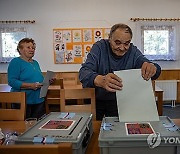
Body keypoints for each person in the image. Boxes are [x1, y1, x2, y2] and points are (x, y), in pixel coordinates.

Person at [79, 23, 161, 121]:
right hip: (96, 101)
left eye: (126, 43)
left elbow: (152, 67)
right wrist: (101, 80)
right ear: (109, 39)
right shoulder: (99, 47)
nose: (122, 48)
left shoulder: (132, 51)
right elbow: (83, 72)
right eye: (117, 43)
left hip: (123, 103)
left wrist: (152, 67)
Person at [8, 38, 45, 119]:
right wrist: (30, 86)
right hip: (23, 101)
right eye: (28, 47)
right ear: (20, 49)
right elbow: (12, 81)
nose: (32, 49)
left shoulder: (35, 63)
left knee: (37, 125)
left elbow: (39, 77)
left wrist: (47, 81)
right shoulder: (15, 62)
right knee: (23, 127)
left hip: (38, 100)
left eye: (33, 48)